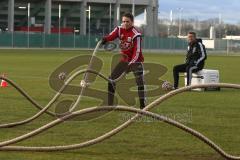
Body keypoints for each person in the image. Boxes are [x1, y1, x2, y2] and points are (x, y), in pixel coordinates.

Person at [101, 13, 146, 109]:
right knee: (111, 79)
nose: (125, 23)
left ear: (132, 22)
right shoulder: (119, 29)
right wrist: (105, 39)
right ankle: (110, 104)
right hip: (124, 61)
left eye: (127, 21)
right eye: (123, 21)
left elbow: (137, 52)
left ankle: (143, 106)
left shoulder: (136, 34)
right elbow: (111, 36)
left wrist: (131, 63)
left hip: (136, 62)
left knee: (140, 83)